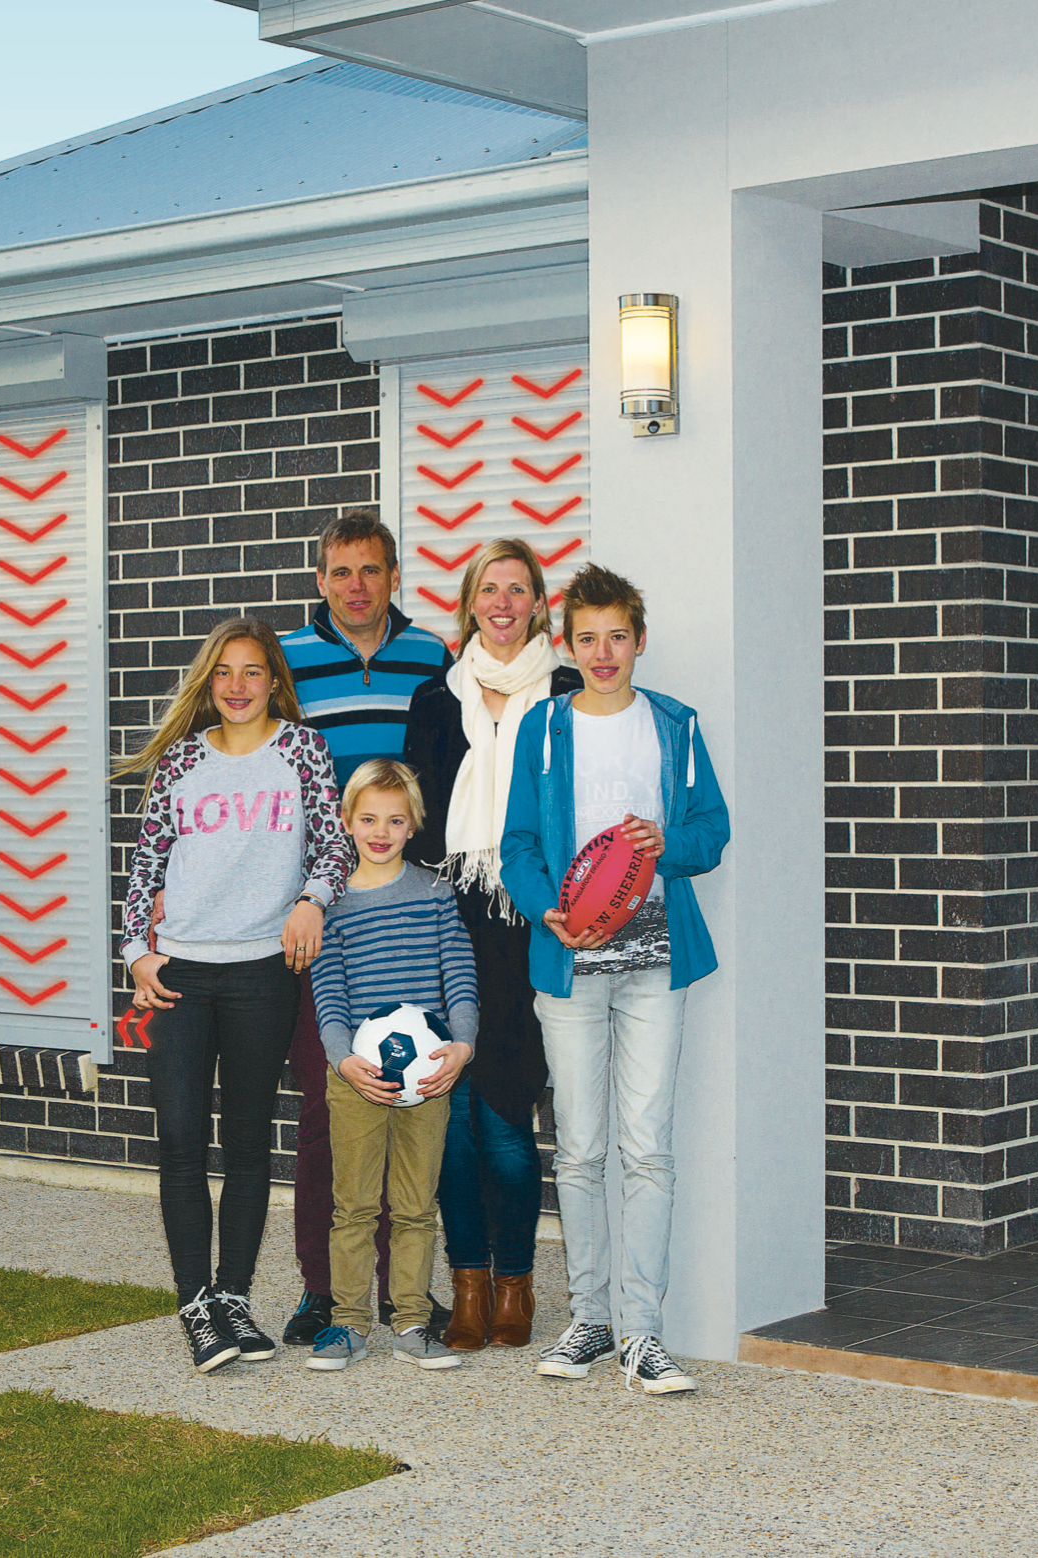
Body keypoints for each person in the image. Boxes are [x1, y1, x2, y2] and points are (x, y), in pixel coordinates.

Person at [500, 563, 729, 1395]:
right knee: (584, 1148)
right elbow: (517, 843)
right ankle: (590, 1321)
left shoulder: (675, 724)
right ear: (568, 643)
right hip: (569, 961)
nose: (603, 653)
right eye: (587, 638)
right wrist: (543, 909)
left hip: (657, 961)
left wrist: (667, 839)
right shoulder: (544, 727)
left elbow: (714, 830)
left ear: (639, 641)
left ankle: (645, 1333)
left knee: (649, 1149)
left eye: (618, 638)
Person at [118, 616, 353, 1373]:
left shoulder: (303, 752)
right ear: (207, 683)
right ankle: (195, 1303)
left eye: (253, 672)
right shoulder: (182, 761)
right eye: (224, 672)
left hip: (263, 972)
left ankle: (235, 1298)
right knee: (182, 1138)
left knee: (250, 1142)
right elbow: (145, 866)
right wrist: (135, 955)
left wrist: (313, 898)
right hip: (181, 972)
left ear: (275, 682)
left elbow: (334, 843)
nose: (238, 686)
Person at [276, 508, 454, 1346]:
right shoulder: (289, 663)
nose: (356, 586)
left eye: (371, 571)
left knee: (410, 1088)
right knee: (330, 1102)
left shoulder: (430, 656)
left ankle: (401, 1290)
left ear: (393, 577)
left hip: (408, 912)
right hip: (322, 912)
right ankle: (325, 1288)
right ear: (321, 580)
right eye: (341, 572)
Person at [402, 538, 582, 1352]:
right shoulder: (434, 701)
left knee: (508, 1116)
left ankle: (516, 1285)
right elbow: (412, 827)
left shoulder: (570, 693)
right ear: (470, 603)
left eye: (519, 589)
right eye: (488, 589)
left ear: (540, 604)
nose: (503, 603)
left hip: (529, 925)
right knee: (453, 1120)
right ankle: (465, 1283)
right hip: (448, 922)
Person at [305, 759, 477, 1372]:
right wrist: (342, 1058)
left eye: (395, 820)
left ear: (414, 826)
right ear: (347, 821)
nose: (381, 831)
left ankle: (409, 1320)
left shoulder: (433, 892)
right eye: (369, 818)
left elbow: (458, 974)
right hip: (356, 1078)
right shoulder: (334, 903)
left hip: (429, 1078)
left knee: (414, 1206)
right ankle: (347, 1324)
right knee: (352, 1205)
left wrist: (461, 1046)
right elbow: (327, 990)